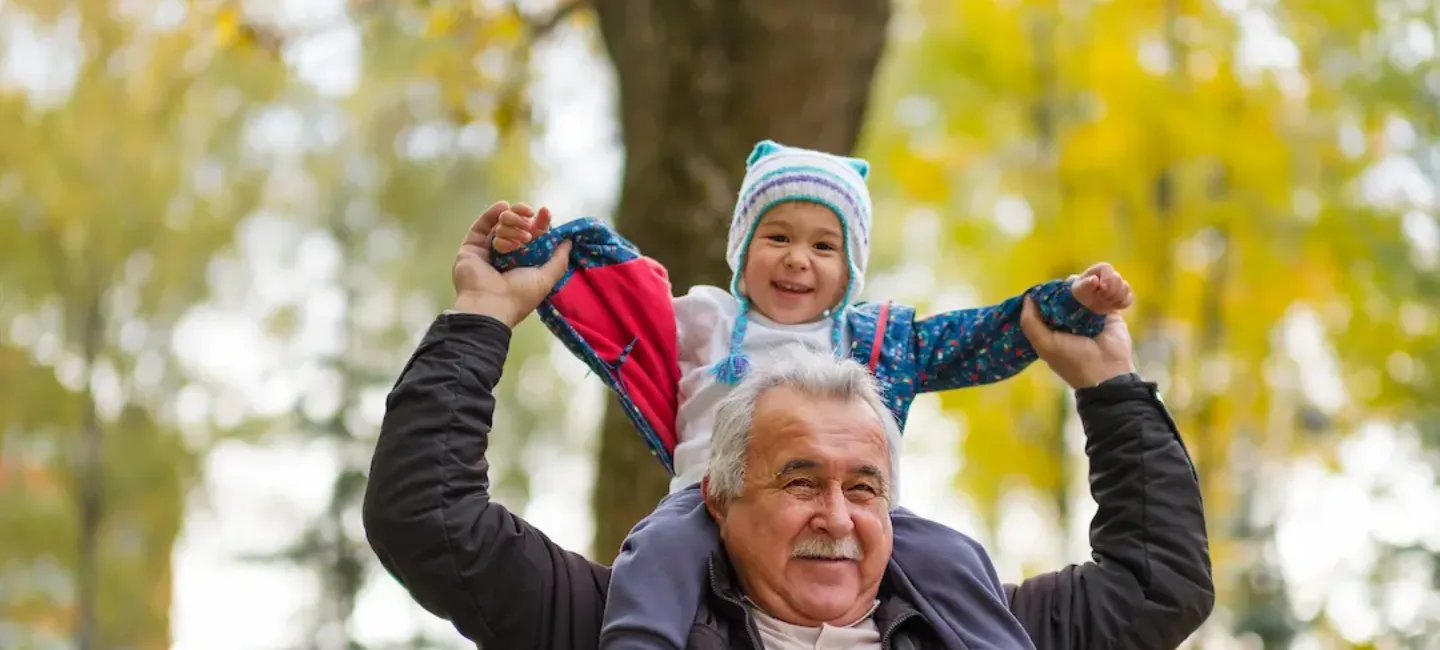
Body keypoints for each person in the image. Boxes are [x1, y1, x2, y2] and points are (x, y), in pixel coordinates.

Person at [360, 206, 1215, 648]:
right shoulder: (623, 624)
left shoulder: (972, 626)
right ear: (721, 497)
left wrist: (1110, 386)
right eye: (800, 479)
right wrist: (482, 315)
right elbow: (427, 521)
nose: (837, 518)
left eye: (865, 487)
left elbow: (1157, 585)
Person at [480, 140, 1136, 648]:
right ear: (742, 249)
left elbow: (978, 337)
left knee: (955, 557)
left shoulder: (874, 339)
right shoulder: (702, 319)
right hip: (705, 500)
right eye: (778, 237)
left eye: (824, 246)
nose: (799, 259)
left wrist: (1065, 304)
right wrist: (532, 252)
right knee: (651, 557)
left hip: (859, 515)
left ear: (850, 267)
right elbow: (615, 304)